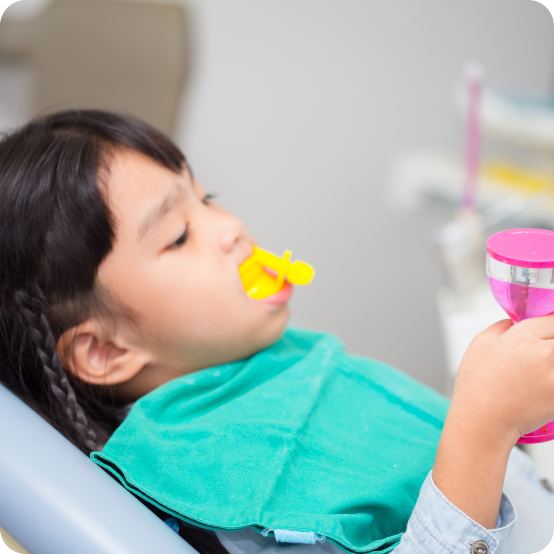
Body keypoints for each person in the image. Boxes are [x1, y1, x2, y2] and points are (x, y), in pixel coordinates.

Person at [0, 110, 553, 554]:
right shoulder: (226, 487)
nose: (231, 227)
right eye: (178, 235)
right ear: (104, 349)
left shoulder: (265, 364)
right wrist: (484, 427)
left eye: (207, 197)